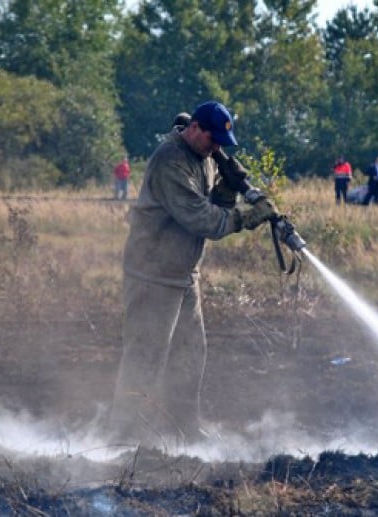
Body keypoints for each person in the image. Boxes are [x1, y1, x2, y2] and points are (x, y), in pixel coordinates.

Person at [108, 100, 278, 446]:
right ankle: (124, 440)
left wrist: (228, 188)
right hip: (152, 275)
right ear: (195, 128)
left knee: (190, 354)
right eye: (211, 139)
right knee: (145, 358)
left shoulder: (203, 156)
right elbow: (201, 219)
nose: (216, 148)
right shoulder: (170, 161)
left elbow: (214, 206)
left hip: (183, 275)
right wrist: (245, 218)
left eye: (220, 143)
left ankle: (183, 429)